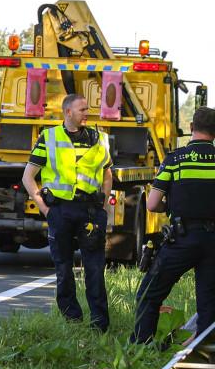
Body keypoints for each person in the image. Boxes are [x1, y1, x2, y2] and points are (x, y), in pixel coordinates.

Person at [21, 93, 113, 331]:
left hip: (91, 211)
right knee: (63, 268)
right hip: (60, 210)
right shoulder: (49, 137)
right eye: (82, 109)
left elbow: (107, 173)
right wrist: (45, 209)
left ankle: (99, 324)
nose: (87, 113)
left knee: (94, 268)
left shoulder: (100, 138)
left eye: (87, 109)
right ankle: (72, 320)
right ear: (68, 112)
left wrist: (103, 208)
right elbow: (28, 177)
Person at [131, 106, 215, 344]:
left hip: (182, 239)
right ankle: (204, 346)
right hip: (213, 241)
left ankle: (141, 346)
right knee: (209, 301)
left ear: (191, 129)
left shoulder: (175, 159)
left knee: (150, 293)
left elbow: (152, 204)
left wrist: (171, 207)